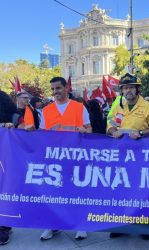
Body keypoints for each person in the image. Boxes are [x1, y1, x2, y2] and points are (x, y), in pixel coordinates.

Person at [106, 73, 149, 240]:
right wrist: (112, 131)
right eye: (124, 88)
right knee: (121, 190)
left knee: (141, 191)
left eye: (131, 87)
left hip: (141, 156)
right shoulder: (118, 106)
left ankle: (143, 226)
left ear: (137, 89)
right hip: (121, 156)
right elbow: (109, 124)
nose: (128, 90)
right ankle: (121, 225)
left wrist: (141, 132)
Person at [38, 76, 91, 241]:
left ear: (66, 88)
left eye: (58, 88)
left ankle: (80, 225)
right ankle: (52, 225)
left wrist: (83, 130)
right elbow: (42, 135)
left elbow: (90, 130)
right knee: (54, 192)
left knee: (76, 192)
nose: (55, 92)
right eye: (53, 89)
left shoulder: (79, 107)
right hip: (54, 158)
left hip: (76, 157)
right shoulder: (46, 110)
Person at [0, 90, 24, 245]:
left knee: (5, 191)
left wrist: (14, 128)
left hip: (7, 161)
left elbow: (24, 131)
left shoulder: (14, 118)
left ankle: (4, 226)